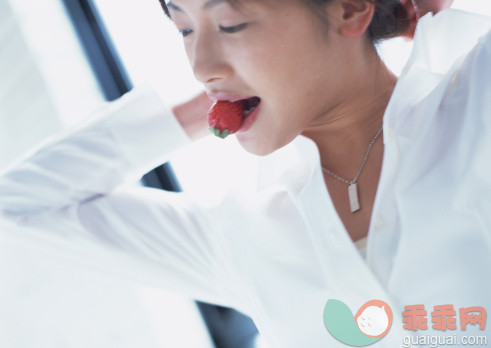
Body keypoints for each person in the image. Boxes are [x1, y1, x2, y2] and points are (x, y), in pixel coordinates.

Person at [0, 0, 490, 347]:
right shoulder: (244, 235)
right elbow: (19, 203)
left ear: (349, 8)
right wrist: (206, 105)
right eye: (184, 29)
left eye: (230, 25)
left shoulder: (475, 105)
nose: (200, 65)